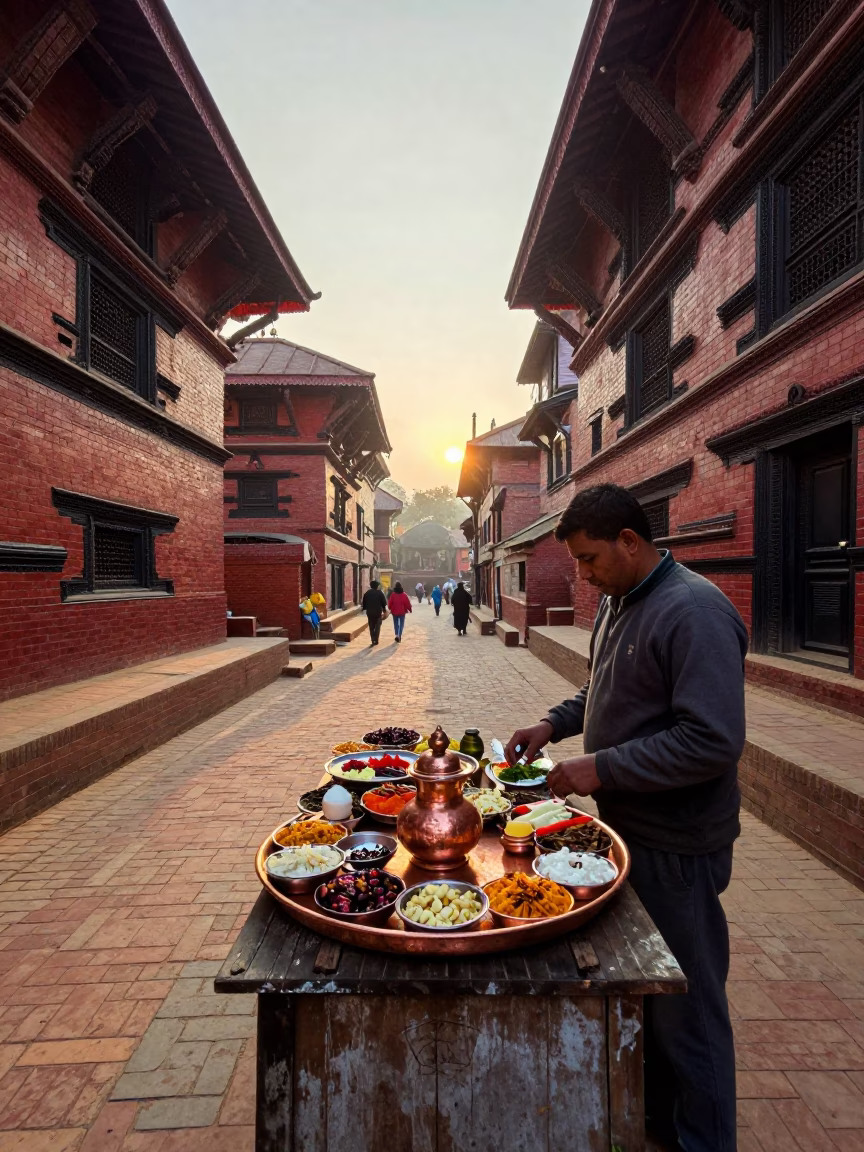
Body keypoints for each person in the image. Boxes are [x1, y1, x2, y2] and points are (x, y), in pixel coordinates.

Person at [505, 484, 746, 1152]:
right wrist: (553, 724)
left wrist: (599, 767)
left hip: (681, 842)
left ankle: (704, 1139)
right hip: (631, 832)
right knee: (654, 993)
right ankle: (662, 1124)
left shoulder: (692, 611)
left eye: (590, 560)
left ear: (630, 542)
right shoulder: (621, 601)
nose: (583, 575)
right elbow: (606, 688)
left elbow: (712, 740)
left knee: (689, 1009)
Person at [361, 579, 388, 646]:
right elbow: (384, 603)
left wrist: (364, 609)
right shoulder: (380, 593)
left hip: (370, 612)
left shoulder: (367, 593)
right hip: (378, 612)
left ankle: (373, 639)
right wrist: (384, 610)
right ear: (377, 586)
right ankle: (376, 639)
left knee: (371, 626)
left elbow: (364, 603)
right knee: (378, 625)